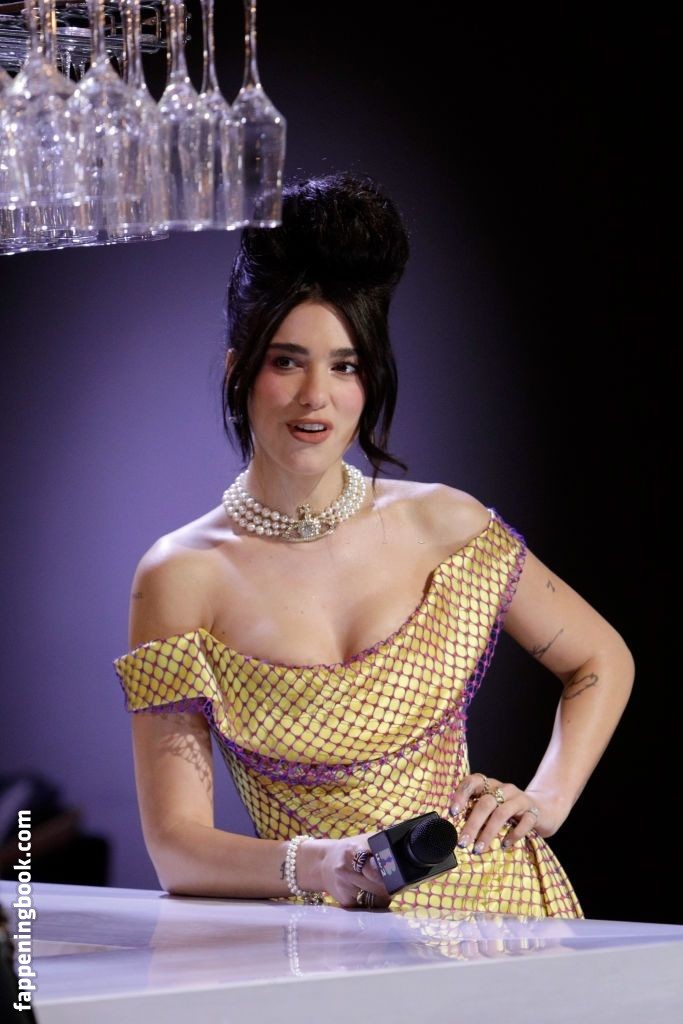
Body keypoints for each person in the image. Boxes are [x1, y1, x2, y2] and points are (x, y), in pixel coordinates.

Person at [113, 172, 634, 916]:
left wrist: (547, 797)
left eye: (345, 365)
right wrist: (324, 864)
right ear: (238, 371)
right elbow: (177, 850)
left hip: (504, 918)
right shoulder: (179, 576)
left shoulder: (444, 525)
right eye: (286, 360)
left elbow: (600, 659)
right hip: (326, 947)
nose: (315, 396)